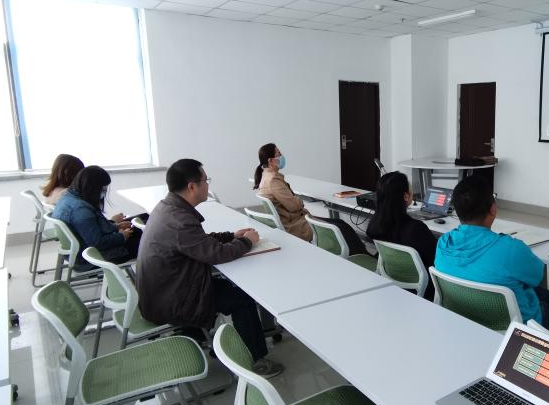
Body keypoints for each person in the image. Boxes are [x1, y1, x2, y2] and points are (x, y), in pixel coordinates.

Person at [137, 159, 282, 378]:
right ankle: (256, 362)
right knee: (241, 300)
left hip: (165, 290)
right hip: (173, 299)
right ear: (192, 186)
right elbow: (216, 254)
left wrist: (231, 236)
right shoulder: (180, 219)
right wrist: (247, 242)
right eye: (205, 180)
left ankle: (209, 336)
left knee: (230, 289)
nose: (208, 185)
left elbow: (197, 242)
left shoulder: (168, 207)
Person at [434, 175, 549, 337]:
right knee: (546, 308)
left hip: (465, 321)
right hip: (514, 330)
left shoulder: (443, 243)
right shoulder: (511, 249)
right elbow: (537, 276)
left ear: (457, 211)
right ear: (493, 209)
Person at [254, 143, 368, 256]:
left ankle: (362, 253)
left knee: (340, 223)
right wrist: (298, 199)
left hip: (292, 221)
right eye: (279, 154)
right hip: (295, 226)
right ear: (270, 161)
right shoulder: (273, 180)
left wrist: (294, 198)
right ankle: (361, 256)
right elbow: (295, 206)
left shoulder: (266, 176)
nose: (282, 156)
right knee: (341, 227)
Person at [367, 171, 437, 299]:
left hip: (394, 282)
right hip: (424, 289)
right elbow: (437, 259)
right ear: (405, 196)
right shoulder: (416, 229)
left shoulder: (376, 224)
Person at [51, 165, 140, 264]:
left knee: (141, 221)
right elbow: (97, 243)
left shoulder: (67, 197)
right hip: (92, 257)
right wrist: (121, 236)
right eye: (102, 190)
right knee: (147, 243)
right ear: (92, 188)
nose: (103, 194)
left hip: (81, 252)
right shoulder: (81, 209)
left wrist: (116, 226)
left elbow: (91, 227)